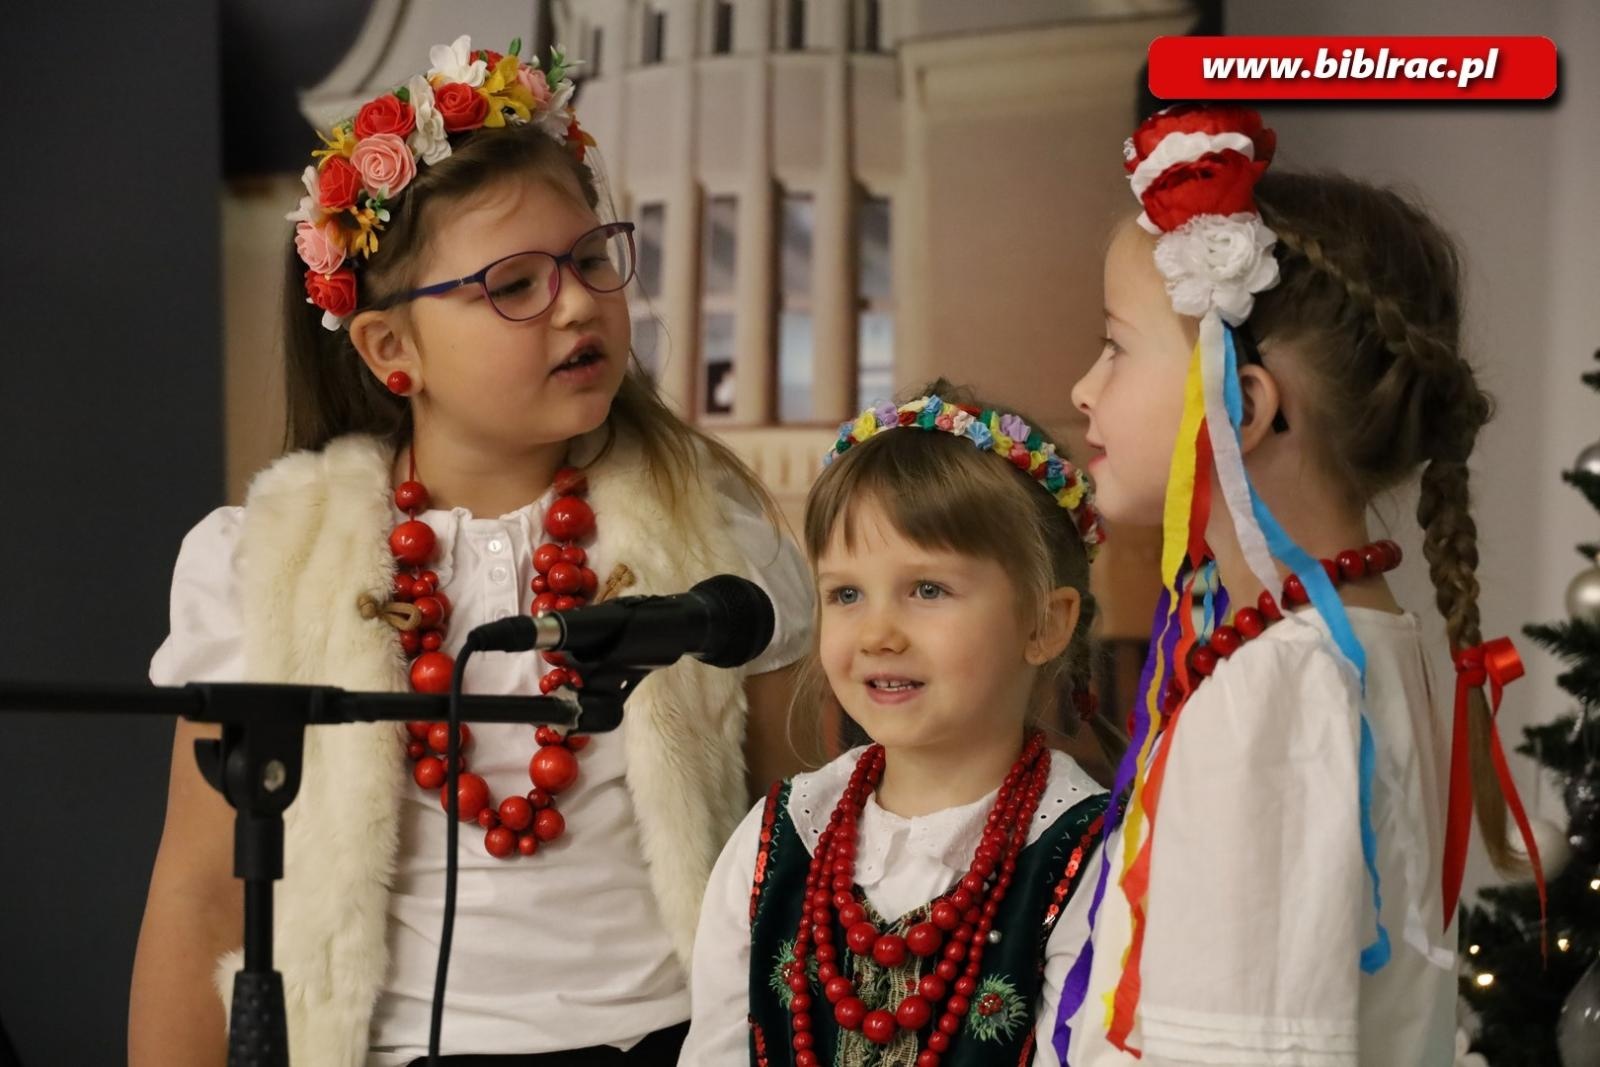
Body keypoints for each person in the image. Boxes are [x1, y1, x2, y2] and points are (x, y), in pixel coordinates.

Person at [129, 35, 814, 1067]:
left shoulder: (710, 523)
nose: (579, 301)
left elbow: (800, 835)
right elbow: (196, 898)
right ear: (391, 349)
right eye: (514, 284)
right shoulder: (265, 560)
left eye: (590, 259)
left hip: (672, 1041)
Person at [1054, 104, 1539, 1066]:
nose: (1082, 387)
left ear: (1243, 405)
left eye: (1115, 346)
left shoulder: (1278, 693)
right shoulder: (1349, 646)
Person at [680, 383, 1111, 1065]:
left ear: (1045, 622)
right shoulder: (779, 838)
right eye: (846, 593)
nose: (878, 632)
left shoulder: (1086, 860)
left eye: (928, 589)